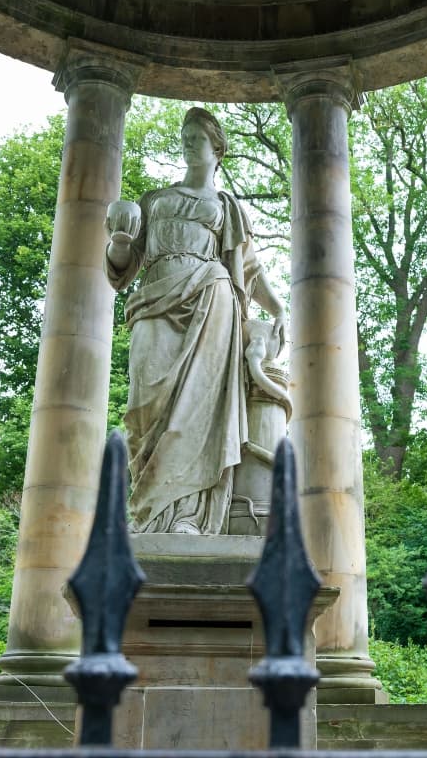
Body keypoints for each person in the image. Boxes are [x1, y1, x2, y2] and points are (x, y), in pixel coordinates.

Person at [105, 107, 286, 534]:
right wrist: (118, 240)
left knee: (199, 413)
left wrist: (277, 309)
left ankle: (188, 517)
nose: (187, 143)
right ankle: (149, 511)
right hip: (154, 298)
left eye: (196, 138)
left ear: (217, 148)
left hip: (211, 300)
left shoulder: (226, 207)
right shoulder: (153, 201)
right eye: (184, 136)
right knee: (144, 408)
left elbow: (250, 269)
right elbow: (121, 268)